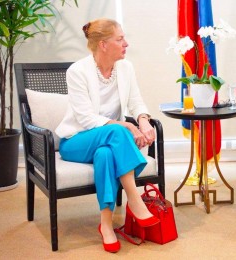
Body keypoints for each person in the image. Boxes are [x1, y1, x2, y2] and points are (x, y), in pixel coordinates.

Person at [55, 18, 159, 253]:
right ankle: (134, 198)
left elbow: (135, 101)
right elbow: (86, 119)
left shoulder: (126, 68)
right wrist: (127, 127)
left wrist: (142, 120)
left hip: (107, 143)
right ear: (103, 44)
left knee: (105, 155)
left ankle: (106, 224)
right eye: (120, 39)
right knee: (116, 130)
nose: (126, 44)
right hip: (76, 141)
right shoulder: (77, 71)